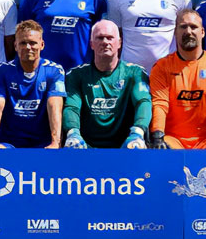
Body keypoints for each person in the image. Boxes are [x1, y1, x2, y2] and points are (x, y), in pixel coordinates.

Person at [148, 9, 206, 150]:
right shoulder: (161, 67)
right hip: (173, 141)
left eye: (193, 27)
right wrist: (158, 136)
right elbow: (159, 105)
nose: (188, 32)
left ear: (202, 32)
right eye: (183, 27)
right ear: (175, 32)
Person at [62, 20, 151, 149]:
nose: (105, 42)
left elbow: (143, 101)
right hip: (86, 148)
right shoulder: (76, 75)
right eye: (100, 38)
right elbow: (72, 107)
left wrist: (138, 132)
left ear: (119, 43)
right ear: (91, 44)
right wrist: (73, 133)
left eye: (110, 38)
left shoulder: (135, 72)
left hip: (125, 147)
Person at [0, 20, 66, 148]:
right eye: (23, 43)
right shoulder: (2, 70)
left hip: (42, 145)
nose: (28, 47)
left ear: (42, 45)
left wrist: (55, 143)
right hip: (9, 144)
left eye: (33, 43)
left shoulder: (54, 70)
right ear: (15, 45)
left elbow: (54, 106)